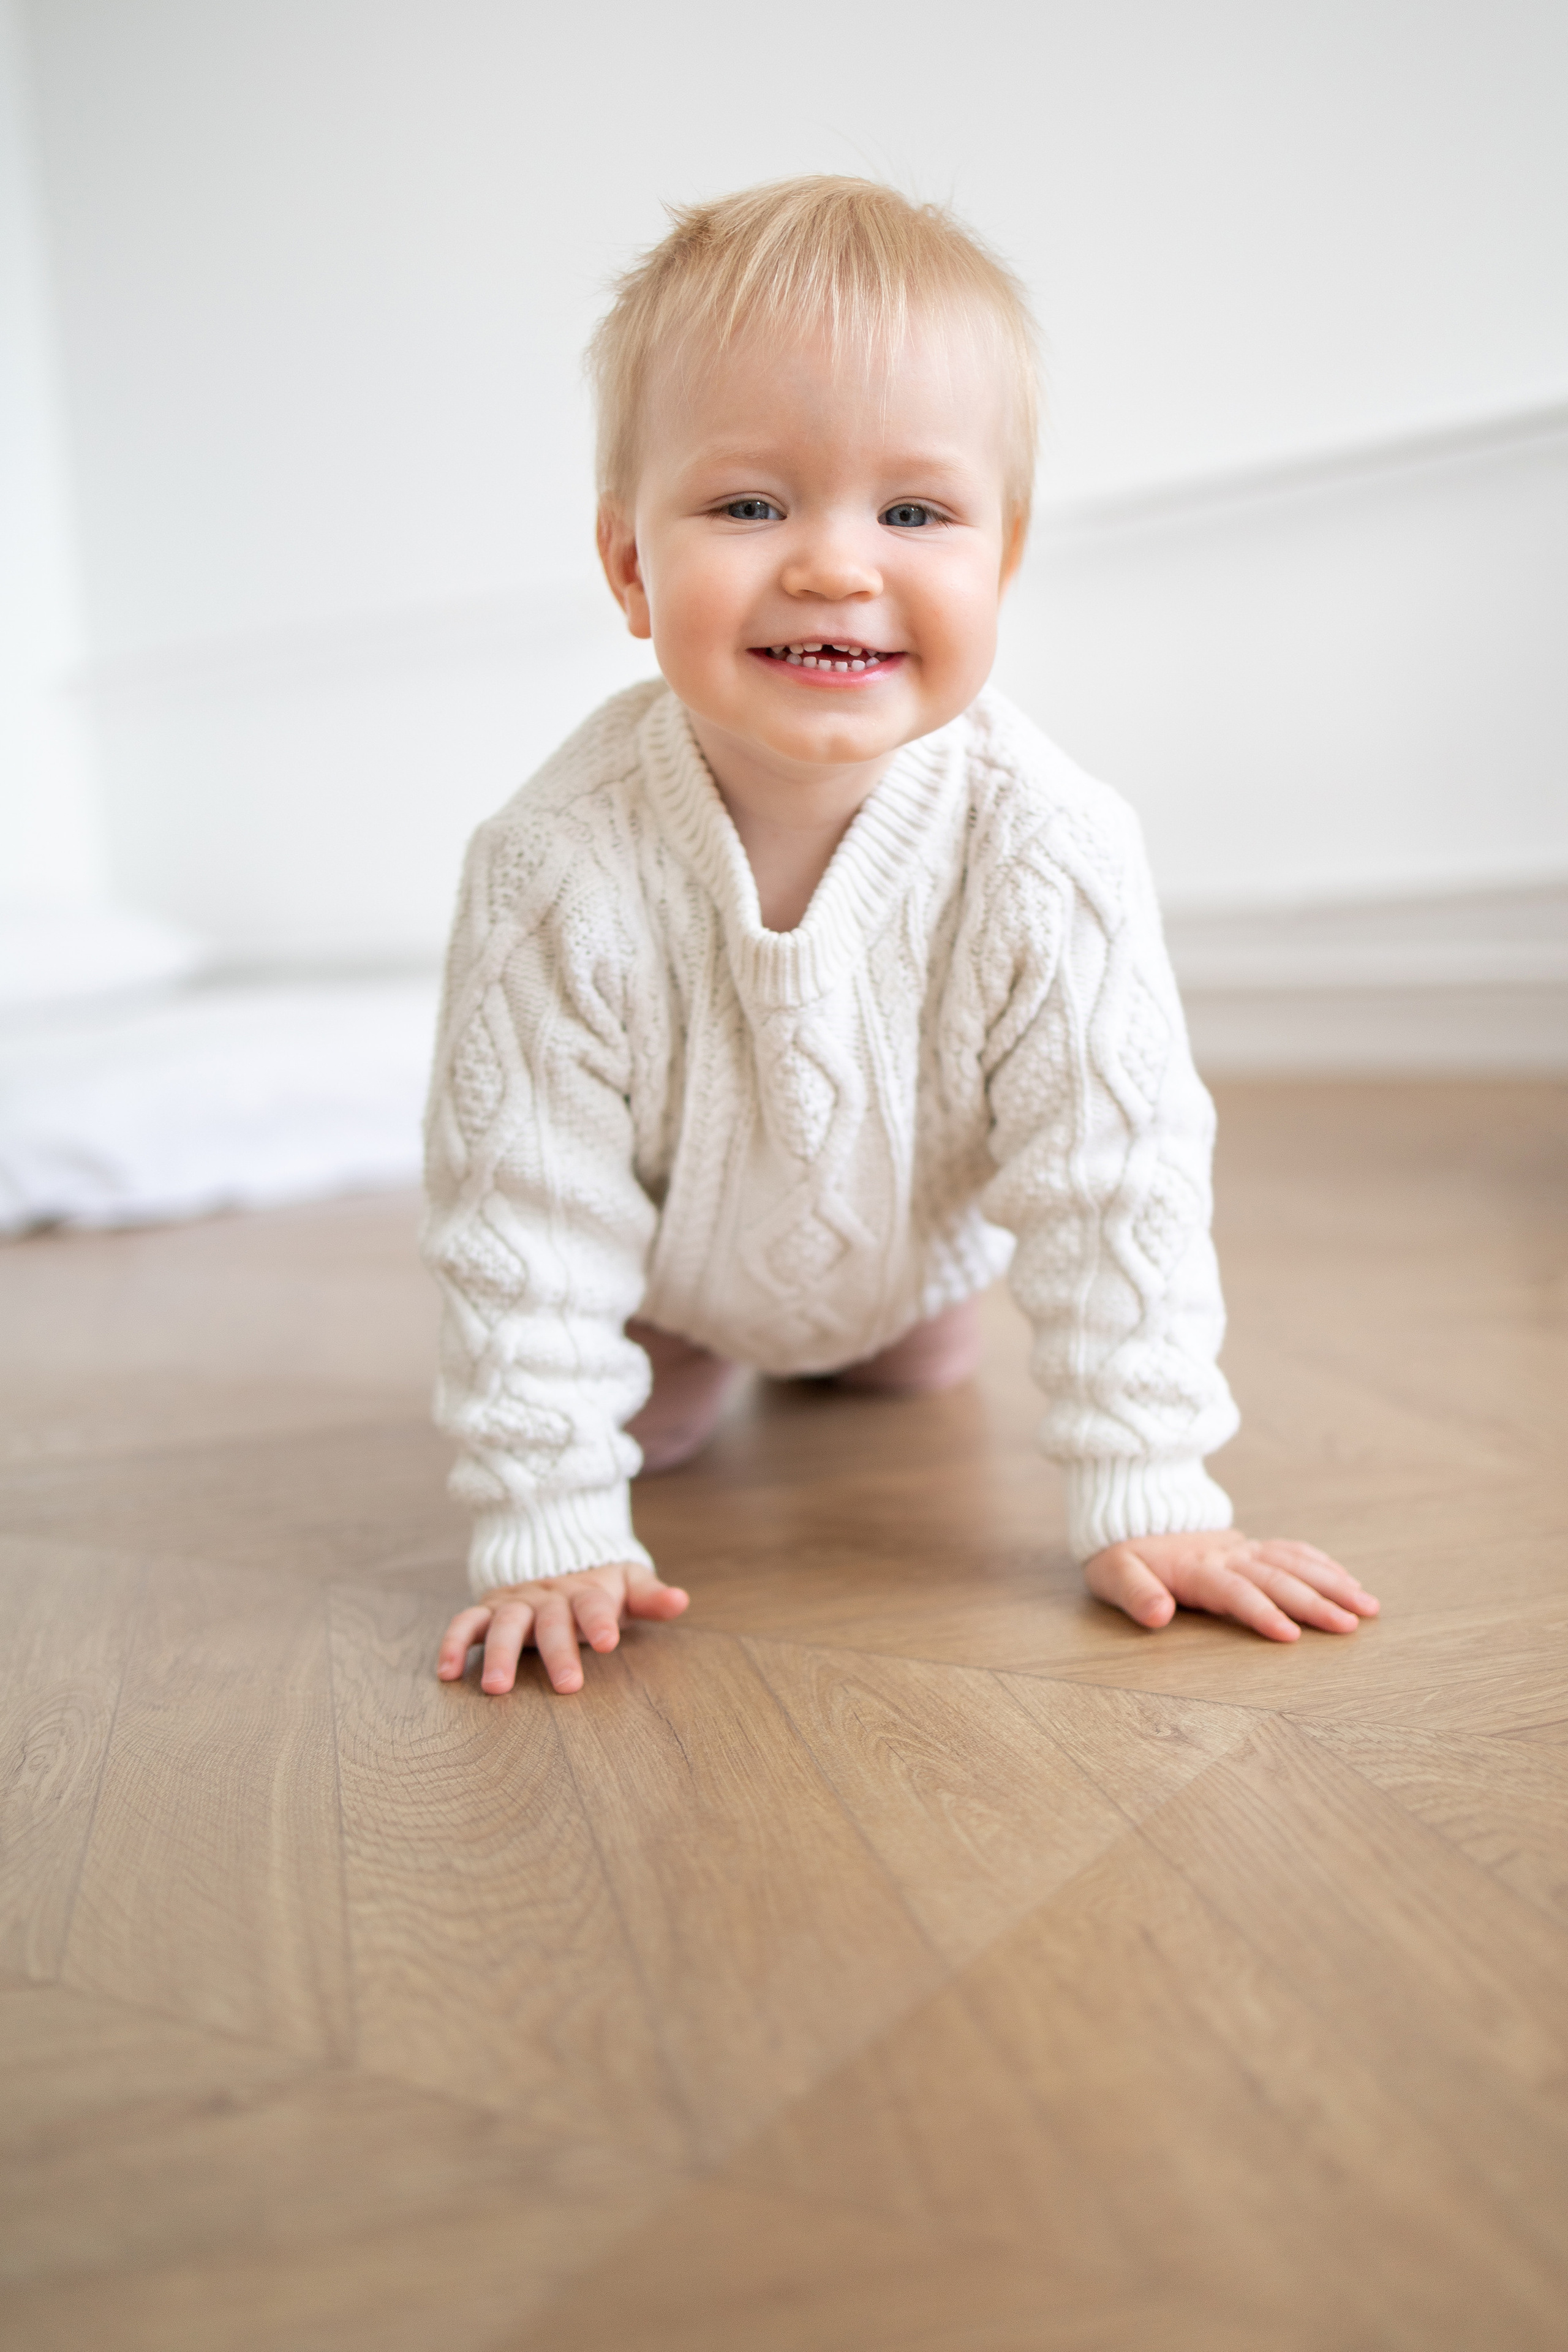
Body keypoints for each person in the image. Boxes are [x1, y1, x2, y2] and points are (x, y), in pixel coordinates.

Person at [428, 176, 1378, 1697]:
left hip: (916, 1255)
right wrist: (546, 1515)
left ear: (997, 562)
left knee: (917, 1362)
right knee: (650, 1435)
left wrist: (1152, 1489)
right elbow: (524, 1208)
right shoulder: (553, 863)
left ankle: (889, 1329)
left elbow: (1110, 1168)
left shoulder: (1050, 843)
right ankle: (709, 1360)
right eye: (749, 505)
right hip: (674, 1278)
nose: (833, 565)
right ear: (627, 567)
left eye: (915, 512)